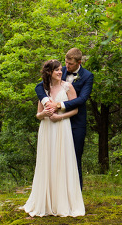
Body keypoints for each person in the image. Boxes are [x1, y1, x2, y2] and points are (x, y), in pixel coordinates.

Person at [23, 59, 85, 217]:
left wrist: (60, 118)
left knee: (62, 161)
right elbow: (38, 114)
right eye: (57, 70)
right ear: (49, 72)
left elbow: (75, 110)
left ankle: (63, 202)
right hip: (47, 128)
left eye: (60, 69)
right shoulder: (43, 90)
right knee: (48, 161)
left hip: (61, 127)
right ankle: (46, 201)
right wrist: (44, 114)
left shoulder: (68, 86)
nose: (60, 72)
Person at [35, 48, 93, 189]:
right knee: (56, 157)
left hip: (76, 121)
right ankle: (57, 190)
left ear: (79, 62)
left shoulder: (87, 76)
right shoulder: (60, 71)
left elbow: (82, 99)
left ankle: (75, 192)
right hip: (55, 123)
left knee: (74, 156)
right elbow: (39, 87)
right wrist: (45, 101)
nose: (67, 67)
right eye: (66, 63)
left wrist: (59, 105)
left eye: (70, 64)